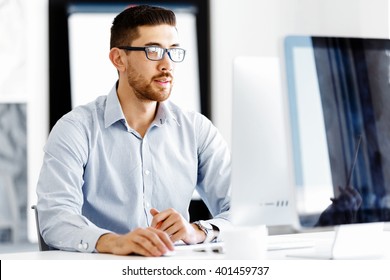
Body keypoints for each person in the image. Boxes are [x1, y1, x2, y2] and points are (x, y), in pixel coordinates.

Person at [36, 5, 231, 257]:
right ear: (119, 59)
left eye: (173, 51)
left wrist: (198, 231)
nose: (167, 65)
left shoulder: (197, 130)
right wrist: (114, 242)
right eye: (153, 51)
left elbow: (243, 211)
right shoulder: (76, 129)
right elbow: (55, 217)